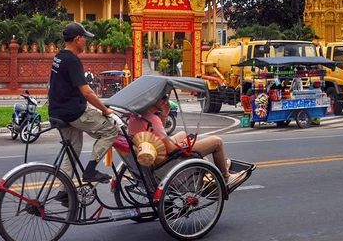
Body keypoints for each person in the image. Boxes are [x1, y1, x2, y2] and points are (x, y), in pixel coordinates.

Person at [49, 22, 118, 204]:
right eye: (84, 38)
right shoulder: (72, 60)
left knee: (72, 151)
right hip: (72, 112)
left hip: (58, 111)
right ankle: (91, 170)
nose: (86, 42)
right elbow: (87, 92)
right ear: (77, 39)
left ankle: (63, 191)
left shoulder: (59, 57)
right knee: (111, 130)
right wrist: (105, 110)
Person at [127, 95, 246, 188]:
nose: (165, 101)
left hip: (153, 150)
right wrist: (183, 144)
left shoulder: (135, 117)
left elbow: (159, 134)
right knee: (217, 141)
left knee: (182, 134)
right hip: (166, 158)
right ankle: (226, 177)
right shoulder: (152, 119)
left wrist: (163, 116)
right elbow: (170, 149)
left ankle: (209, 167)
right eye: (163, 98)